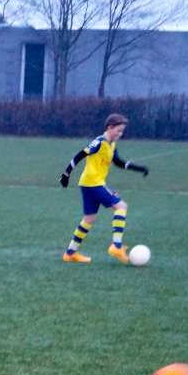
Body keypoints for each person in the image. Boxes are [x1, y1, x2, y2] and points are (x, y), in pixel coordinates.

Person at [59, 113, 149, 264]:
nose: (120, 134)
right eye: (118, 131)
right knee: (121, 206)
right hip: (93, 183)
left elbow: (118, 162)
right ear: (110, 127)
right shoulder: (99, 142)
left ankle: (70, 253)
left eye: (122, 132)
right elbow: (80, 154)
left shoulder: (111, 144)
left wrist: (138, 168)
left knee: (89, 219)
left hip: (89, 183)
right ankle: (116, 246)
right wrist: (66, 173)